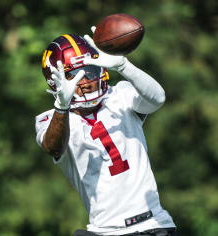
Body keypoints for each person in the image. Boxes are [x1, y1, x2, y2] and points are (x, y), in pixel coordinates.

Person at [35, 27, 176, 236]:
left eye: (90, 70)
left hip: (152, 224)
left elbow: (157, 98)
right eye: (75, 75)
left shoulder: (120, 95)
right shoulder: (53, 119)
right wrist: (61, 107)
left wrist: (124, 65)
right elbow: (52, 146)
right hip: (104, 231)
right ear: (55, 80)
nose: (86, 81)